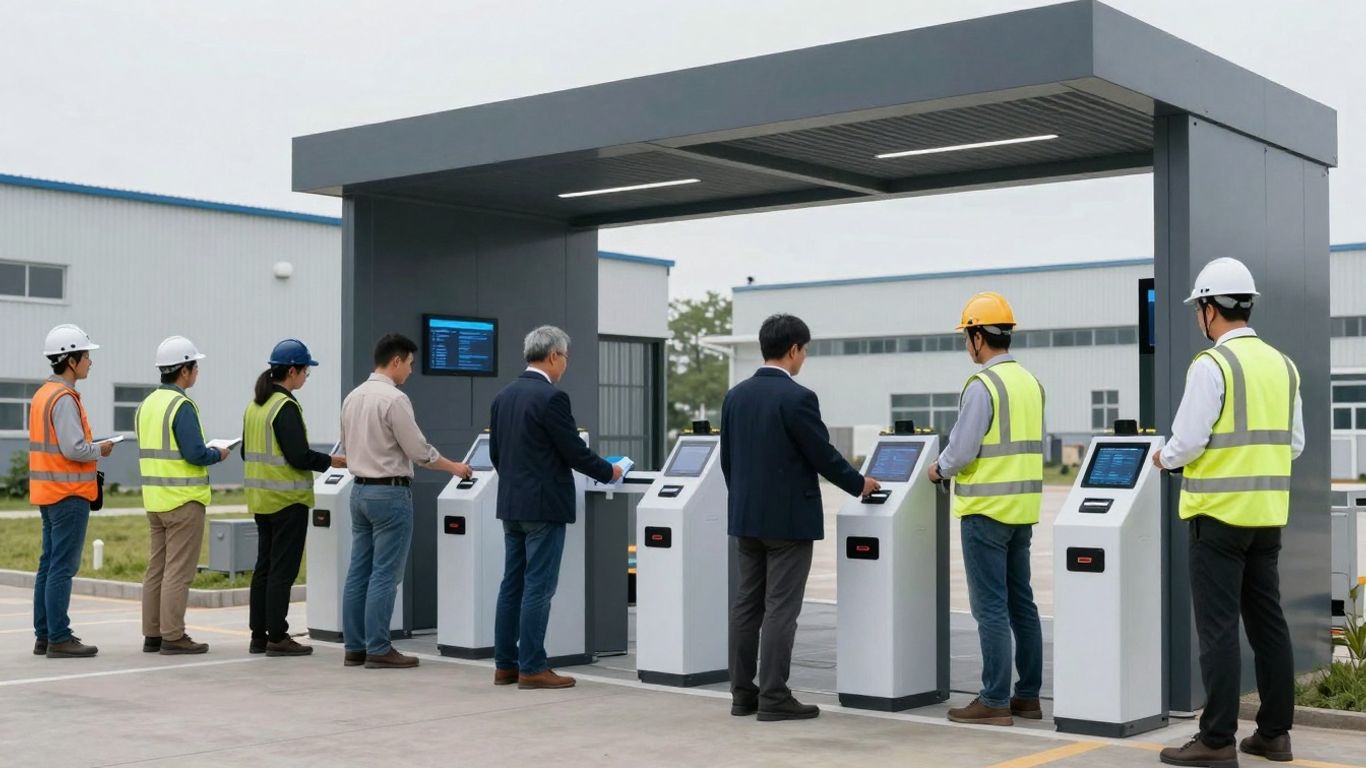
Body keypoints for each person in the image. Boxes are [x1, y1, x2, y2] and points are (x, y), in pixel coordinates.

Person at [1154, 258, 1304, 768]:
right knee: (1268, 625)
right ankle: (1274, 735)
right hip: (1267, 517)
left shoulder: (1211, 365)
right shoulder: (1283, 365)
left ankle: (1216, 740)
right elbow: (1295, 444)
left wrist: (1164, 457)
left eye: (1200, 307)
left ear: (1209, 309)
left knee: (1218, 628)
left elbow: (1188, 441)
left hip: (1217, 518)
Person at [721, 313, 879, 721]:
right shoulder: (798, 398)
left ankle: (743, 694)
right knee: (780, 609)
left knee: (745, 606)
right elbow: (822, 454)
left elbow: (728, 461)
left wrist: (743, 501)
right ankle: (774, 696)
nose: (804, 358)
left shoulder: (735, 396)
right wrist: (859, 483)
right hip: (788, 524)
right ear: (793, 350)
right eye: (804, 350)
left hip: (746, 519)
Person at [928, 292, 1045, 727]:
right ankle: (1027, 697)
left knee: (990, 607)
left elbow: (961, 449)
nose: (966, 345)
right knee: (1022, 604)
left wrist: (938, 471)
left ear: (979, 336)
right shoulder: (1031, 383)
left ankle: (994, 700)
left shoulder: (983, 386)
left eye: (967, 336)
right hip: (1023, 510)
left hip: (986, 512)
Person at [489, 326, 622, 690]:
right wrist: (610, 471)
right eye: (565, 357)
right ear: (552, 356)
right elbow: (573, 451)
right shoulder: (552, 398)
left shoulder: (503, 396)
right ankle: (532, 667)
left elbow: (496, 453)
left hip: (512, 505)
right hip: (544, 508)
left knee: (511, 585)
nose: (565, 364)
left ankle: (505, 665)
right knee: (538, 588)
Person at [339, 333, 471, 669]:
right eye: (410, 364)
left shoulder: (352, 398)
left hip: (359, 492)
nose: (411, 371)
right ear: (396, 361)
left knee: (359, 571)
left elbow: (346, 447)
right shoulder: (394, 400)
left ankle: (355, 646)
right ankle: (379, 649)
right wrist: (454, 467)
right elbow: (419, 452)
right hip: (390, 493)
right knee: (385, 574)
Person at [242, 339, 345, 657]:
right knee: (282, 572)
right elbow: (299, 456)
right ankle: (278, 637)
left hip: (262, 499)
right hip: (287, 502)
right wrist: (332, 461)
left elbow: (246, 451)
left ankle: (259, 636)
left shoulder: (256, 405)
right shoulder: (284, 406)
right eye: (305, 372)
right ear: (291, 371)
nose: (305, 378)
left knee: (264, 568)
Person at [137, 335, 229, 655]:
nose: (197, 373)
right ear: (185, 370)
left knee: (157, 569)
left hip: (155, 500)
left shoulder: (147, 404)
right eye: (195, 366)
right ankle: (173, 635)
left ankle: (153, 633)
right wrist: (217, 453)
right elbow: (194, 453)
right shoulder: (182, 405)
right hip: (183, 501)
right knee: (178, 572)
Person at [30, 324, 115, 659]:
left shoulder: (41, 395)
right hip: (68, 493)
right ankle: (60, 638)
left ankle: (45, 635)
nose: (90, 362)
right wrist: (101, 449)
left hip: (48, 491)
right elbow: (74, 449)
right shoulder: (63, 398)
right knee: (62, 567)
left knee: (49, 564)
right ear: (71, 360)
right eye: (86, 356)